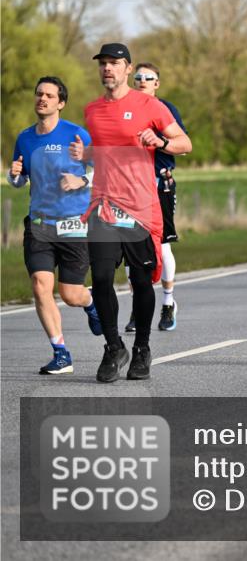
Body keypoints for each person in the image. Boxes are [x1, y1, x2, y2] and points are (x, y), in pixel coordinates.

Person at [74, 42, 192, 382]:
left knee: (141, 281)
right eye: (103, 64)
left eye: (115, 63)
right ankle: (113, 347)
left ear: (128, 69)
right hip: (104, 205)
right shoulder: (92, 110)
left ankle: (141, 348)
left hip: (141, 207)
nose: (108, 68)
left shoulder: (149, 105)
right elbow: (102, 153)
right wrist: (85, 154)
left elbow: (185, 143)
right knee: (99, 278)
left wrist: (161, 143)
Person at [8, 76, 102, 375]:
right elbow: (20, 180)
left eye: (49, 95)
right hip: (39, 225)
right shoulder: (25, 138)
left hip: (73, 224)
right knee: (40, 286)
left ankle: (90, 302)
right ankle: (61, 353)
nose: (42, 99)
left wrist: (81, 179)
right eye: (39, 94)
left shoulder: (78, 135)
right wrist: (13, 176)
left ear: (60, 103)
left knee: (71, 294)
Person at [123, 63, 187, 333]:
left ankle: (168, 303)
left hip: (159, 182)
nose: (142, 81)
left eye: (148, 78)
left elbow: (184, 146)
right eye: (138, 77)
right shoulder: (123, 108)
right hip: (129, 186)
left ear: (157, 83)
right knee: (130, 250)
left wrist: (160, 143)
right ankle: (139, 307)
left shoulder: (165, 109)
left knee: (161, 247)